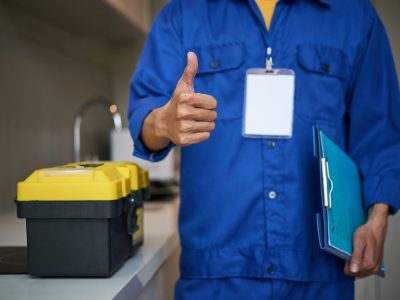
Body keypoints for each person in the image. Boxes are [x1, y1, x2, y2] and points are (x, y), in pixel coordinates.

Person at [128, 0, 400, 299]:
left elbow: (379, 131)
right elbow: (144, 112)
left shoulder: (355, 14)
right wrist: (163, 123)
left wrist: (378, 219)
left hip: (321, 273)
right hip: (214, 276)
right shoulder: (182, 13)